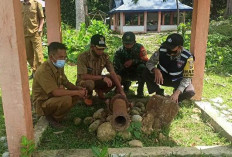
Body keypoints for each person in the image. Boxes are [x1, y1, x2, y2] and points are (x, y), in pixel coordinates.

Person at [32, 42, 87, 128]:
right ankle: (52, 118)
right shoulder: (44, 71)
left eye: (65, 57)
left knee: (75, 95)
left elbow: (66, 82)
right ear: (51, 57)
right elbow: (55, 92)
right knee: (67, 99)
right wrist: (76, 92)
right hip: (42, 102)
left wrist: (78, 89)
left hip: (52, 98)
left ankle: (58, 115)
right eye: (61, 57)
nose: (63, 60)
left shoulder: (58, 66)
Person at [143, 33, 195, 103]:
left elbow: (187, 77)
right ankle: (158, 92)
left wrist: (177, 92)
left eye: (172, 47)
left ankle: (174, 100)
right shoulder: (161, 50)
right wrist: (155, 70)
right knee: (145, 71)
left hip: (177, 80)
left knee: (190, 91)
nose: (169, 49)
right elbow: (149, 63)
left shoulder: (188, 57)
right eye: (167, 46)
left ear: (180, 47)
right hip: (161, 78)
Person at [76, 34, 126, 106]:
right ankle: (87, 96)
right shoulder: (83, 57)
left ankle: (100, 91)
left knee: (117, 78)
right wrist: (102, 77)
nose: (101, 51)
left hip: (98, 80)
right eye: (99, 49)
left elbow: (112, 72)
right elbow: (83, 76)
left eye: (103, 49)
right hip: (84, 82)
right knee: (90, 83)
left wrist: (121, 90)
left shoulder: (105, 56)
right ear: (92, 47)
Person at [113, 31, 148, 97]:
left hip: (137, 72)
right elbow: (115, 65)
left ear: (134, 42)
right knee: (116, 71)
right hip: (124, 72)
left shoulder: (140, 48)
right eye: (126, 44)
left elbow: (146, 61)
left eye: (130, 44)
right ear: (122, 42)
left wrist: (133, 61)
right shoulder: (119, 51)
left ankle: (140, 90)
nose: (128, 46)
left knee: (143, 68)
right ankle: (124, 86)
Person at [21, 0, 45, 79]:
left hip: (35, 33)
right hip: (25, 34)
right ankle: (35, 72)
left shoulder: (37, 4)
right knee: (29, 56)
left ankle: (43, 74)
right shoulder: (20, 5)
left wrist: (40, 28)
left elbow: (42, 19)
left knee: (39, 55)